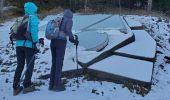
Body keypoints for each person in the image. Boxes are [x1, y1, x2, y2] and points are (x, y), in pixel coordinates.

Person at [13, 2, 39, 96]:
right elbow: (34, 32)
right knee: (30, 65)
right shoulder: (33, 18)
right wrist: (36, 43)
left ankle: (15, 87)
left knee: (19, 65)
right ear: (33, 9)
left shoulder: (22, 18)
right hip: (28, 45)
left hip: (18, 45)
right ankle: (27, 86)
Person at [49, 9, 79, 91]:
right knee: (59, 63)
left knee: (54, 63)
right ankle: (57, 85)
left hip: (53, 41)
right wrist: (73, 39)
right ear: (71, 14)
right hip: (61, 42)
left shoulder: (59, 19)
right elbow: (68, 30)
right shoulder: (69, 20)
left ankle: (51, 84)